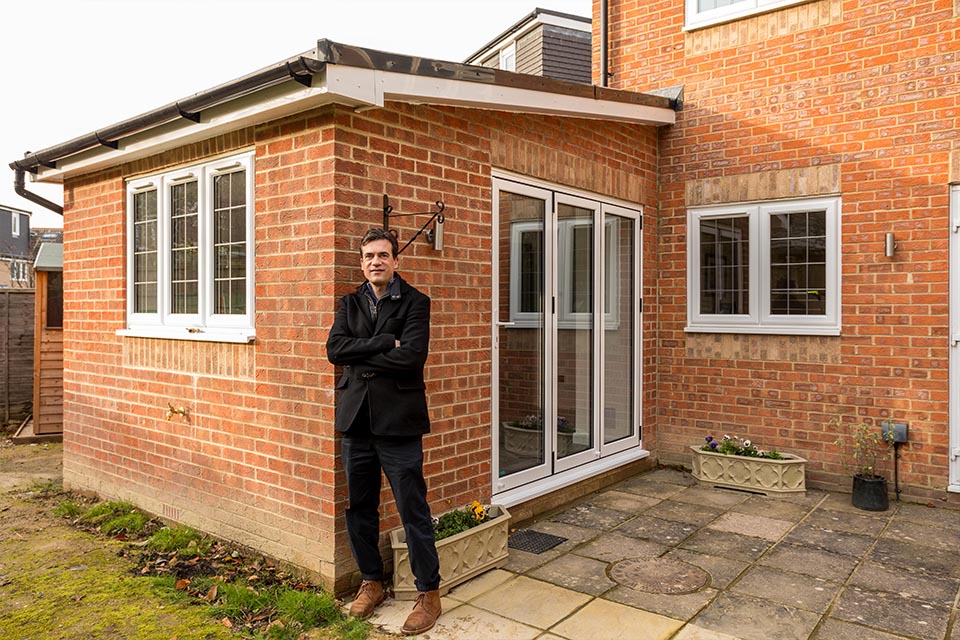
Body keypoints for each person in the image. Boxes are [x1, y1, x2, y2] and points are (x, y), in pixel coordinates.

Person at [325, 228, 442, 635]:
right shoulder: (348, 302)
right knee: (359, 509)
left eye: (383, 255)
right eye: (369, 256)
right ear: (361, 263)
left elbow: (412, 356)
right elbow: (334, 350)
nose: (376, 261)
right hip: (356, 421)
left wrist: (366, 353)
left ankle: (428, 592)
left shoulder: (416, 302)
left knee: (413, 509)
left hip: (399, 423)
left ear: (396, 261)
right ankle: (372, 582)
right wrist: (383, 344)